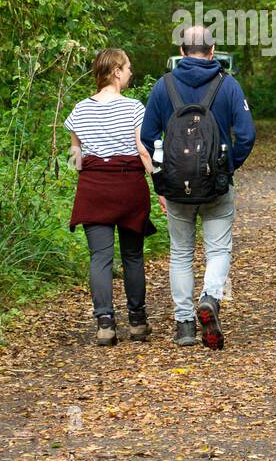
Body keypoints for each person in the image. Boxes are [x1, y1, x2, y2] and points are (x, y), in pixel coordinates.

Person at [141, 25, 255, 349]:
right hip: (216, 185)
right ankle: (210, 299)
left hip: (176, 186)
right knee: (217, 249)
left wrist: (161, 178)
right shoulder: (228, 85)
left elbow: (147, 138)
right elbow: (247, 135)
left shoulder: (163, 87)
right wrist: (229, 166)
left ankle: (184, 325)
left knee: (180, 252)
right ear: (213, 49)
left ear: (181, 51)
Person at [65, 48, 157, 346]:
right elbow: (143, 150)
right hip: (128, 186)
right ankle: (138, 322)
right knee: (132, 256)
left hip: (94, 188)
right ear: (116, 71)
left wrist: (88, 175)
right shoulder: (133, 108)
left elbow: (75, 156)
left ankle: (105, 323)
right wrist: (160, 185)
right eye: (128, 67)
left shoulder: (79, 110)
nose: (131, 72)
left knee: (100, 258)